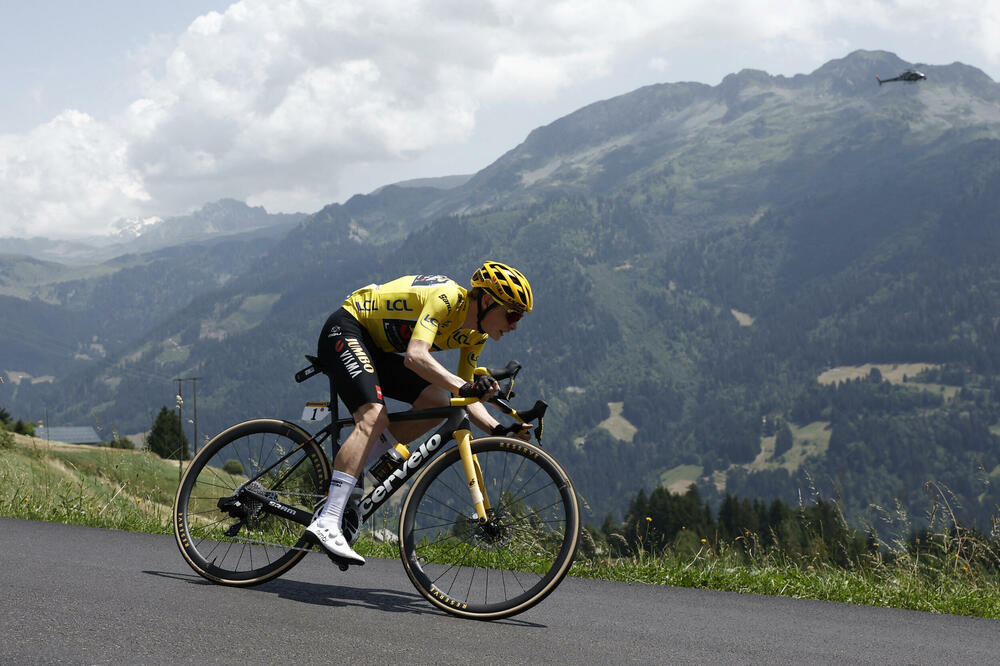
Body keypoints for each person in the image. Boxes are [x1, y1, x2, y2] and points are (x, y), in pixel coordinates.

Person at [305, 261, 534, 565]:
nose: (515, 324)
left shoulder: (474, 336)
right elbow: (415, 356)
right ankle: (328, 521)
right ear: (488, 301)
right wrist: (463, 387)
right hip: (347, 328)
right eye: (512, 314)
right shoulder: (446, 299)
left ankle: (355, 467)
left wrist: (499, 429)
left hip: (377, 350)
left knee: (437, 402)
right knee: (374, 416)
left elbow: (462, 395)